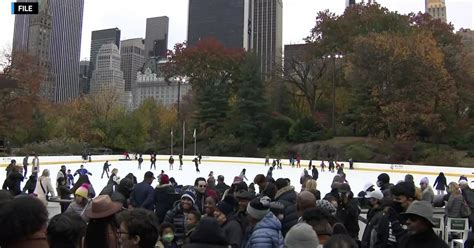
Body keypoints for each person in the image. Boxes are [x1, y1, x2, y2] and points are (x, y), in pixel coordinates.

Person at [375, 181, 415, 247]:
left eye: (398, 199)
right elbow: (380, 239)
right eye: (393, 198)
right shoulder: (388, 214)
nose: (394, 201)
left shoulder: (415, 220)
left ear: (410, 200)